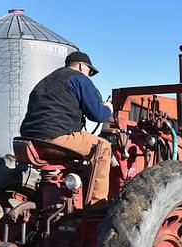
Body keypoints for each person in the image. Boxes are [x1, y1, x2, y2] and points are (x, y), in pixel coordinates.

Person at [20, 51, 113, 207]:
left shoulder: (46, 80)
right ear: (83, 66)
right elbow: (97, 115)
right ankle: (98, 206)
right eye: (89, 72)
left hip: (29, 139)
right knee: (103, 148)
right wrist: (108, 109)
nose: (89, 76)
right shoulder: (79, 78)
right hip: (56, 136)